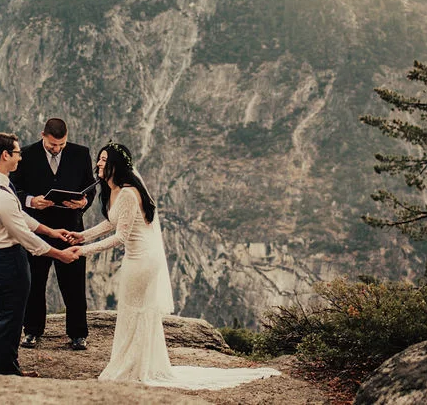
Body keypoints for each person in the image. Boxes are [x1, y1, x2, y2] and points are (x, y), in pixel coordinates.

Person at [68, 142, 281, 389]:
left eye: (103, 160)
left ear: (115, 164)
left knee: (135, 312)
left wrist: (83, 251)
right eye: (99, 159)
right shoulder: (116, 191)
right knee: (133, 312)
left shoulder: (127, 193)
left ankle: (134, 367)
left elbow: (120, 237)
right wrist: (82, 236)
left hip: (142, 261)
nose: (98, 164)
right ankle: (137, 363)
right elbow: (112, 223)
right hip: (137, 258)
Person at [0, 132, 79, 377]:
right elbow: (25, 237)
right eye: (17, 153)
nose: (20, 158)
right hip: (9, 259)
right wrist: (59, 254)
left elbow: (20, 216)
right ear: (5, 155)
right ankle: (7, 370)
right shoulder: (1, 195)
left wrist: (51, 231)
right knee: (12, 317)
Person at [9, 118, 96, 350]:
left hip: (71, 230)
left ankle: (78, 334)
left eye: (61, 145)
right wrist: (31, 201)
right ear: (43, 135)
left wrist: (83, 203)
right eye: (52, 145)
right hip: (37, 229)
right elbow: (13, 189)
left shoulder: (81, 153)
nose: (57, 149)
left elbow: (91, 187)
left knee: (74, 283)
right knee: (35, 283)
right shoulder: (26, 155)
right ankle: (32, 331)